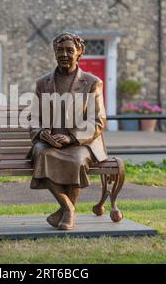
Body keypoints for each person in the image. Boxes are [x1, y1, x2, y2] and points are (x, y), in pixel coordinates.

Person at [27, 32, 108, 230]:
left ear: (79, 52)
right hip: (50, 141)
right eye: (60, 50)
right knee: (40, 153)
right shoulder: (43, 83)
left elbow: (98, 120)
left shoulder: (91, 82)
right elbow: (33, 118)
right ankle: (69, 209)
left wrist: (72, 137)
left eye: (70, 50)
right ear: (55, 52)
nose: (64, 54)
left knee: (78, 160)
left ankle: (64, 212)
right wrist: (41, 133)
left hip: (83, 142)